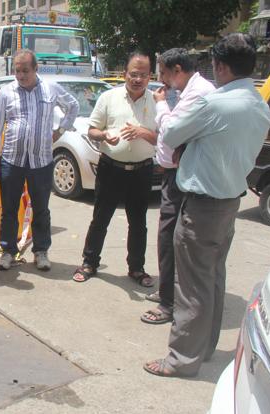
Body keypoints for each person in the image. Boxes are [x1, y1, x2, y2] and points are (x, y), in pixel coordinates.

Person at [144, 33, 270, 377]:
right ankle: (204, 348)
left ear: (221, 65)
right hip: (229, 201)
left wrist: (161, 106)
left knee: (191, 286)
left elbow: (170, 133)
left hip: (202, 205)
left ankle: (182, 359)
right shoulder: (258, 104)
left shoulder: (215, 103)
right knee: (212, 278)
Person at [140, 48, 216, 325]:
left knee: (170, 238)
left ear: (177, 70)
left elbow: (172, 132)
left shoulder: (197, 94)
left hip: (181, 177)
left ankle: (168, 304)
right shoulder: (188, 92)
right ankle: (168, 292)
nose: (161, 79)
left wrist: (161, 105)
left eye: (163, 72)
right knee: (170, 238)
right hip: (175, 174)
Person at [0, 49, 79, 271]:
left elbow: (73, 106)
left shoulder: (51, 89)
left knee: (42, 209)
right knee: (9, 209)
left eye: (25, 71)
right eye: (17, 71)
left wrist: (60, 131)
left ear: (36, 69)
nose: (21, 75)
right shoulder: (6, 92)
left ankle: (41, 251)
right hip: (11, 160)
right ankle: (8, 251)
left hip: (41, 161)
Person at [72, 51, 157, 286]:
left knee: (138, 222)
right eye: (133, 74)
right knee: (100, 218)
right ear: (124, 74)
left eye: (143, 75)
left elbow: (164, 138)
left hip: (142, 170)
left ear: (150, 76)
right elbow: (92, 130)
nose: (137, 79)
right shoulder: (109, 98)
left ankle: (137, 268)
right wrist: (104, 135)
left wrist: (144, 133)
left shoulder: (157, 102)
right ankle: (90, 262)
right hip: (111, 169)